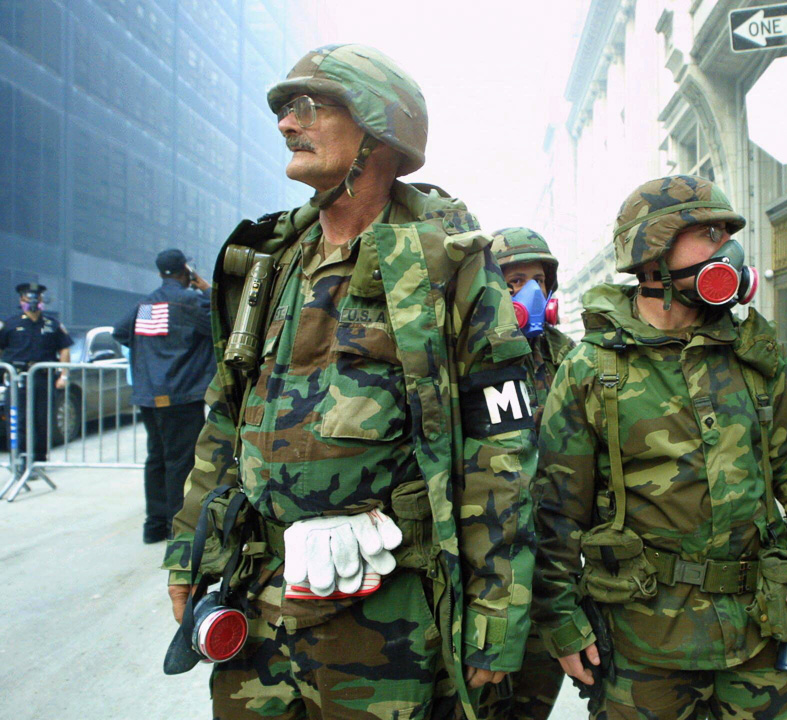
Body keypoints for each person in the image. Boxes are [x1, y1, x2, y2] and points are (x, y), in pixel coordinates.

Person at [162, 44, 536, 720]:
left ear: (377, 128)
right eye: (282, 110)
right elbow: (225, 416)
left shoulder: (445, 263)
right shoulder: (271, 258)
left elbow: (501, 453)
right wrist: (192, 553)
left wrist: (494, 617)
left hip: (385, 612)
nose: (285, 123)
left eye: (308, 107)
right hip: (261, 593)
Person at [532, 175, 787, 720]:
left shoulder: (751, 353)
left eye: (726, 233)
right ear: (653, 250)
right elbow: (555, 512)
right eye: (707, 233)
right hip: (643, 645)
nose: (726, 247)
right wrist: (560, 619)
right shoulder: (591, 370)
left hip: (758, 633)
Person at [476, 227, 574, 720]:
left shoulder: (570, 360)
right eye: (514, 283)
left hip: (549, 568)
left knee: (531, 704)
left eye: (538, 281)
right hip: (485, 569)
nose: (529, 293)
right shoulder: (470, 355)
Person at [112, 250, 214, 544]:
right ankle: (177, 526)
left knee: (156, 458)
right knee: (180, 461)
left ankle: (154, 525)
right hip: (180, 395)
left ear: (160, 273)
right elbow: (221, 317)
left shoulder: (147, 304)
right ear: (186, 271)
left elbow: (120, 332)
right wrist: (205, 287)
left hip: (149, 395)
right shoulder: (191, 301)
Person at [0, 283, 73, 466]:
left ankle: (39, 460)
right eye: (27, 297)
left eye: (36, 297)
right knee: (19, 421)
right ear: (21, 300)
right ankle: (20, 459)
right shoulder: (9, 324)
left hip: (43, 379)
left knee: (42, 420)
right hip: (18, 379)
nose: (32, 301)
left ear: (42, 300)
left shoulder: (52, 324)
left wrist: (63, 375)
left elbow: (64, 349)